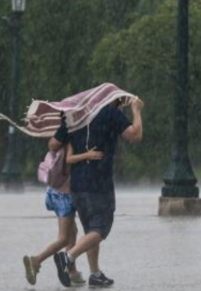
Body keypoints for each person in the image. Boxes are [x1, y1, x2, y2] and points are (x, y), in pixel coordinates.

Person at [54, 97, 144, 288]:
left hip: (77, 185)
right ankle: (67, 258)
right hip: (99, 184)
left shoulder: (75, 116)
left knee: (90, 230)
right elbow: (135, 135)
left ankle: (95, 274)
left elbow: (53, 144)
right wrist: (136, 110)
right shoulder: (111, 114)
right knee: (101, 228)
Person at [22, 114, 96, 287]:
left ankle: (72, 271)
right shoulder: (72, 139)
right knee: (64, 238)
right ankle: (36, 260)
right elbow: (70, 161)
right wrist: (88, 155)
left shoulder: (58, 137)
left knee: (73, 231)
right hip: (65, 194)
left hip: (54, 191)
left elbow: (54, 147)